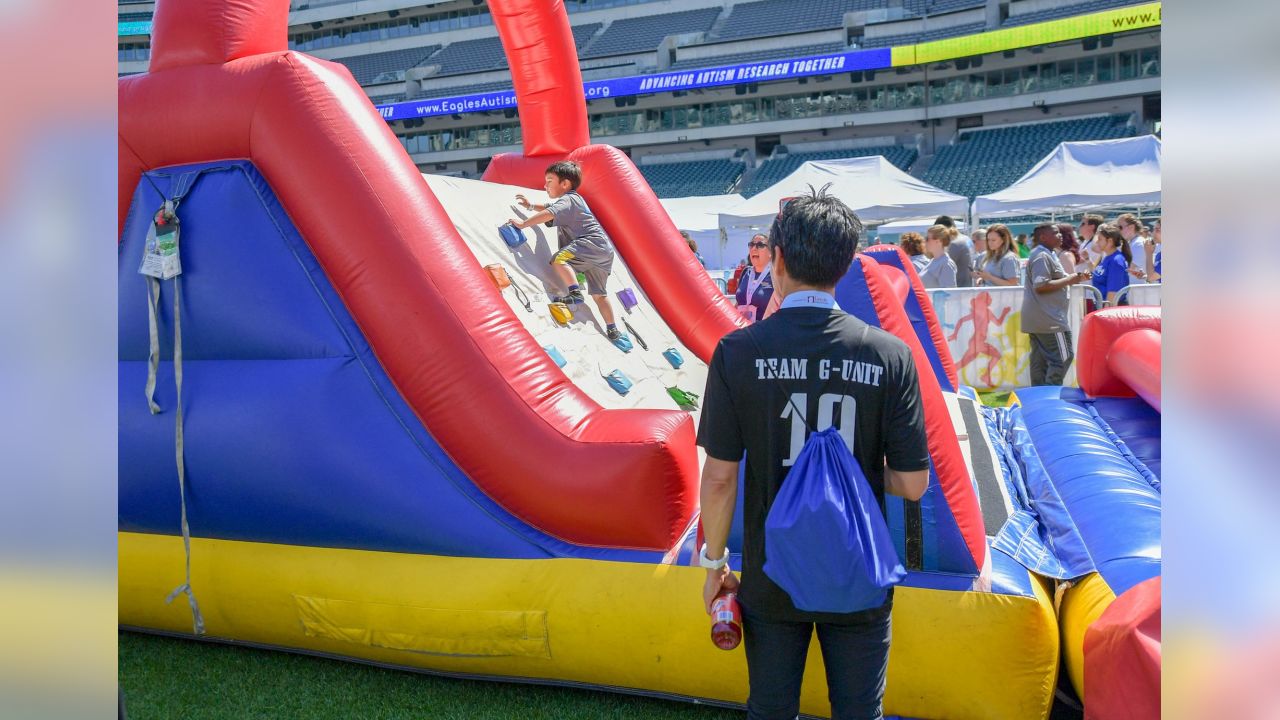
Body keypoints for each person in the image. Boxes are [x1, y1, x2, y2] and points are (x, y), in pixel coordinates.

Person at [697, 187, 929, 720]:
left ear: (776, 258)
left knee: (771, 708)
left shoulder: (738, 351)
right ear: (847, 264)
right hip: (858, 571)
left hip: (771, 574)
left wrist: (714, 563)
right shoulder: (889, 354)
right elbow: (913, 484)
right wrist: (858, 470)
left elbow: (719, 478)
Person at [511, 161, 625, 342]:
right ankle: (612, 329)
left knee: (559, 259)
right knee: (599, 294)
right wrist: (531, 206)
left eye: (549, 181)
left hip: (590, 244)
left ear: (564, 184)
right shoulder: (575, 200)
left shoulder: (568, 199)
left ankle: (574, 293)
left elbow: (550, 213)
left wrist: (524, 224)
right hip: (602, 252)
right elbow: (549, 207)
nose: (545, 185)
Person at [1022, 223, 1091, 386]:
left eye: (1060, 233)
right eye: (1055, 233)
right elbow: (1041, 286)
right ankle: (1050, 393)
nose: (1060, 235)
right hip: (1049, 318)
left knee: (1040, 360)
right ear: (1042, 237)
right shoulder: (1042, 256)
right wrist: (1071, 279)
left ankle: (1039, 395)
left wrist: (1075, 278)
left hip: (1039, 317)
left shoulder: (1046, 254)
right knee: (1063, 356)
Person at [735, 234, 775, 323]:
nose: (754, 248)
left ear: (771, 252)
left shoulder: (776, 275)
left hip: (764, 332)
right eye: (751, 245)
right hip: (743, 331)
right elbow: (739, 303)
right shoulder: (746, 272)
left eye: (760, 245)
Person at [1090, 223, 1131, 306]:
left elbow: (1113, 292)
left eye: (1100, 239)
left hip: (1112, 308)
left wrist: (1105, 312)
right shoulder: (1107, 258)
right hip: (1103, 304)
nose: (1097, 242)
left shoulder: (1116, 260)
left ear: (1110, 241)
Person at [935, 215, 973, 287]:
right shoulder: (967, 239)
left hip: (958, 287)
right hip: (967, 284)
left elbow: (942, 265)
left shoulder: (953, 243)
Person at [920, 224, 958, 289]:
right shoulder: (933, 261)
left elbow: (949, 294)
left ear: (938, 241)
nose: (924, 241)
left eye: (927, 239)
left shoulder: (946, 264)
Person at [1115, 213, 1148, 283]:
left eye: (1120, 227)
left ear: (1131, 227)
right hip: (1131, 289)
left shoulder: (1138, 244)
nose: (1118, 230)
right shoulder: (1132, 243)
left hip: (1137, 290)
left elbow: (1127, 268)